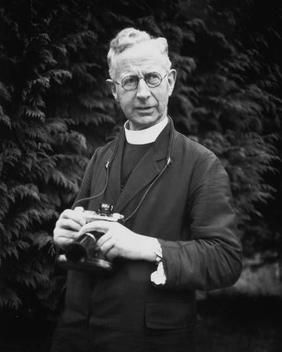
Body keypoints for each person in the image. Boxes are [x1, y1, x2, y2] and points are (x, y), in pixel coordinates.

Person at [51, 27, 242, 352]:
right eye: (129, 81)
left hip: (148, 340)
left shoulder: (200, 164)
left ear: (170, 81)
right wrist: (64, 240)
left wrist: (145, 246)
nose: (142, 93)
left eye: (152, 78)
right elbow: (80, 246)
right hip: (77, 335)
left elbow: (225, 260)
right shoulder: (101, 157)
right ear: (113, 90)